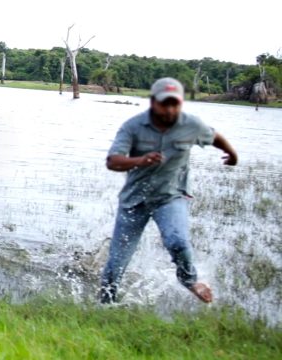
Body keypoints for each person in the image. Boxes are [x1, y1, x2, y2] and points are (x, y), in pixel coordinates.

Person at [99, 77, 238, 304]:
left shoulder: (192, 125)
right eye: (165, 103)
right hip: (134, 201)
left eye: (175, 103)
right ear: (153, 102)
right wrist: (142, 160)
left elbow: (215, 137)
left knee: (178, 242)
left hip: (171, 197)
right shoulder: (132, 127)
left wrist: (233, 155)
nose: (171, 109)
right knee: (116, 262)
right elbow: (112, 162)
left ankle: (190, 280)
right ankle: (105, 306)